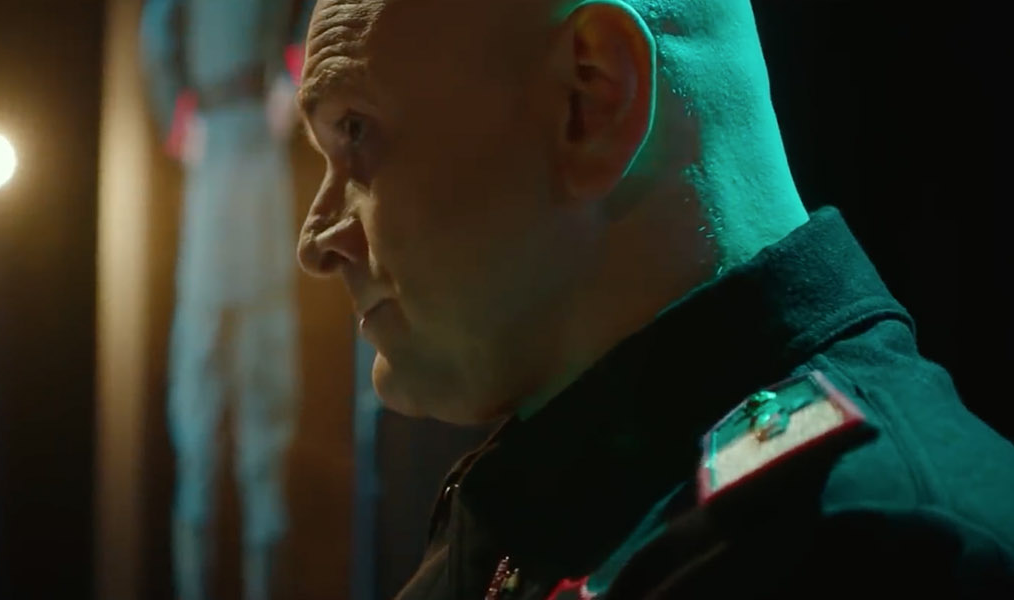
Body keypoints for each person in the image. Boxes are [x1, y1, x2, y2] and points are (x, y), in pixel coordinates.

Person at [291, 0, 1014, 598]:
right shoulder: (590, 497)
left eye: (356, 130)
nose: (315, 241)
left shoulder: (871, 550)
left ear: (589, 98)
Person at [139, 1, 317, 598]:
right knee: (201, 369)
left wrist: (292, 80)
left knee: (266, 364)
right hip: (215, 141)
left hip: (256, 139)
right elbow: (157, 29)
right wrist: (178, 118)